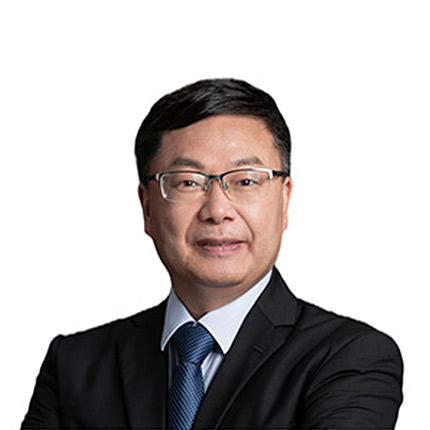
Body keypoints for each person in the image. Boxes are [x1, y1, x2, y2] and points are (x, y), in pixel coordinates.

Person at [21, 78, 403, 429]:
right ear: (148, 208)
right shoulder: (75, 364)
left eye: (246, 180)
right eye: (188, 182)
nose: (217, 210)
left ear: (284, 201)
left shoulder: (350, 358)